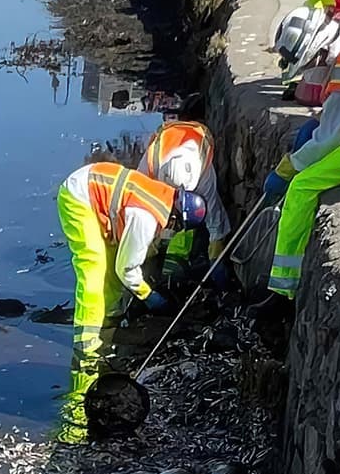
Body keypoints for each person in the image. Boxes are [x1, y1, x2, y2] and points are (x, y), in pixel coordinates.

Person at [57, 159, 207, 438]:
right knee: (94, 268)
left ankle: (109, 325)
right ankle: (86, 346)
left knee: (111, 271)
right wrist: (150, 296)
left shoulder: (163, 197)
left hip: (98, 196)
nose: (171, 232)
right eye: (175, 227)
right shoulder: (147, 217)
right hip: (80, 196)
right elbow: (128, 271)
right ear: (176, 218)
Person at [264, 35, 340, 300]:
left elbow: (330, 140)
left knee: (302, 186)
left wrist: (289, 167)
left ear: (319, 55)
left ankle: (282, 289)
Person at [140, 120, 232, 282]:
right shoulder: (149, 167)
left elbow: (215, 219)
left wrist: (216, 258)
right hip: (167, 145)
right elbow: (139, 210)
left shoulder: (202, 176)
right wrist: (146, 248)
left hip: (194, 137)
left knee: (203, 223)